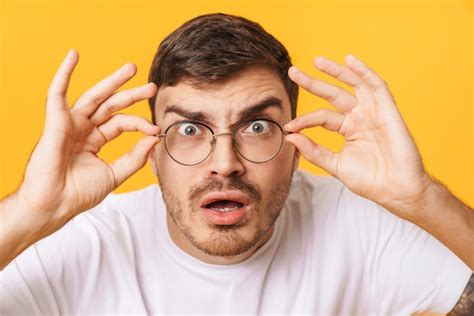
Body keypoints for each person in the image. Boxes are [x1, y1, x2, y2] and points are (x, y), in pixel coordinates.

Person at [0, 13, 472, 315]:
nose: (224, 165)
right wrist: (29, 211)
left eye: (257, 127)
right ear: (153, 149)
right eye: (189, 129)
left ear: (295, 141)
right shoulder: (82, 245)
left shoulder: (357, 224)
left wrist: (423, 199)